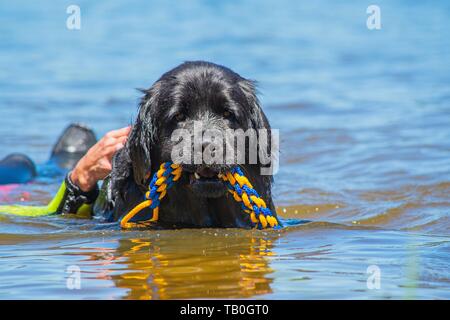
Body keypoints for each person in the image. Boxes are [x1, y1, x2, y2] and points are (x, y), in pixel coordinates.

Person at [0, 123, 130, 216]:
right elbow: (49, 220)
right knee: (20, 162)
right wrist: (82, 175)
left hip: (16, 181)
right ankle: (69, 164)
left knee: (19, 162)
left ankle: (65, 164)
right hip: (39, 182)